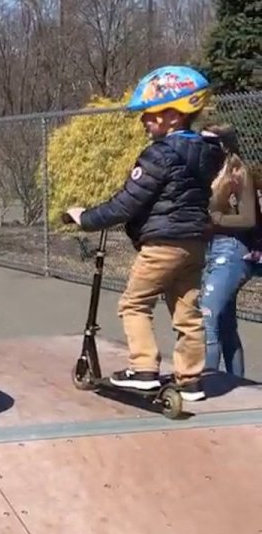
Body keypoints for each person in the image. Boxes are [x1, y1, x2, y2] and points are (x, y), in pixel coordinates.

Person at [64, 65, 226, 402]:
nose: (143, 121)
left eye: (150, 114)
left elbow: (126, 204)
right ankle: (190, 380)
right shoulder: (206, 153)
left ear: (173, 115)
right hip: (194, 243)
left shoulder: (161, 154)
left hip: (163, 244)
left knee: (134, 304)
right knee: (187, 311)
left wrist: (85, 218)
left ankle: (143, 370)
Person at [198, 123, 259, 377]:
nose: (203, 148)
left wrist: (216, 219)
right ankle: (238, 384)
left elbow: (248, 219)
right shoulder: (207, 172)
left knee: (207, 318)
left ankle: (207, 381)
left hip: (233, 251)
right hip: (211, 250)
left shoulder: (238, 173)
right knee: (225, 325)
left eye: (210, 143)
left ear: (223, 145)